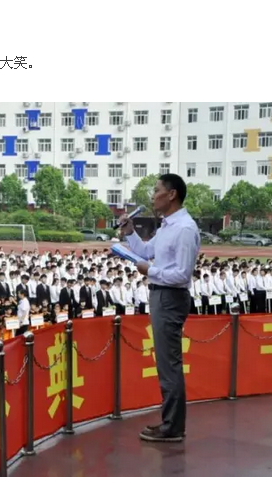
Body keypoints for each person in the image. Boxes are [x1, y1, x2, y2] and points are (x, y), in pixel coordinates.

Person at [119, 173, 200, 443]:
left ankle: (173, 427)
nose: (153, 196)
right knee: (165, 364)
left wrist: (150, 271)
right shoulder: (167, 226)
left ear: (171, 194)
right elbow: (144, 252)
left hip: (170, 297)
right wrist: (130, 233)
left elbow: (182, 274)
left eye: (156, 191)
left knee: (169, 364)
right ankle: (170, 422)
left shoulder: (184, 229)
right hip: (161, 294)